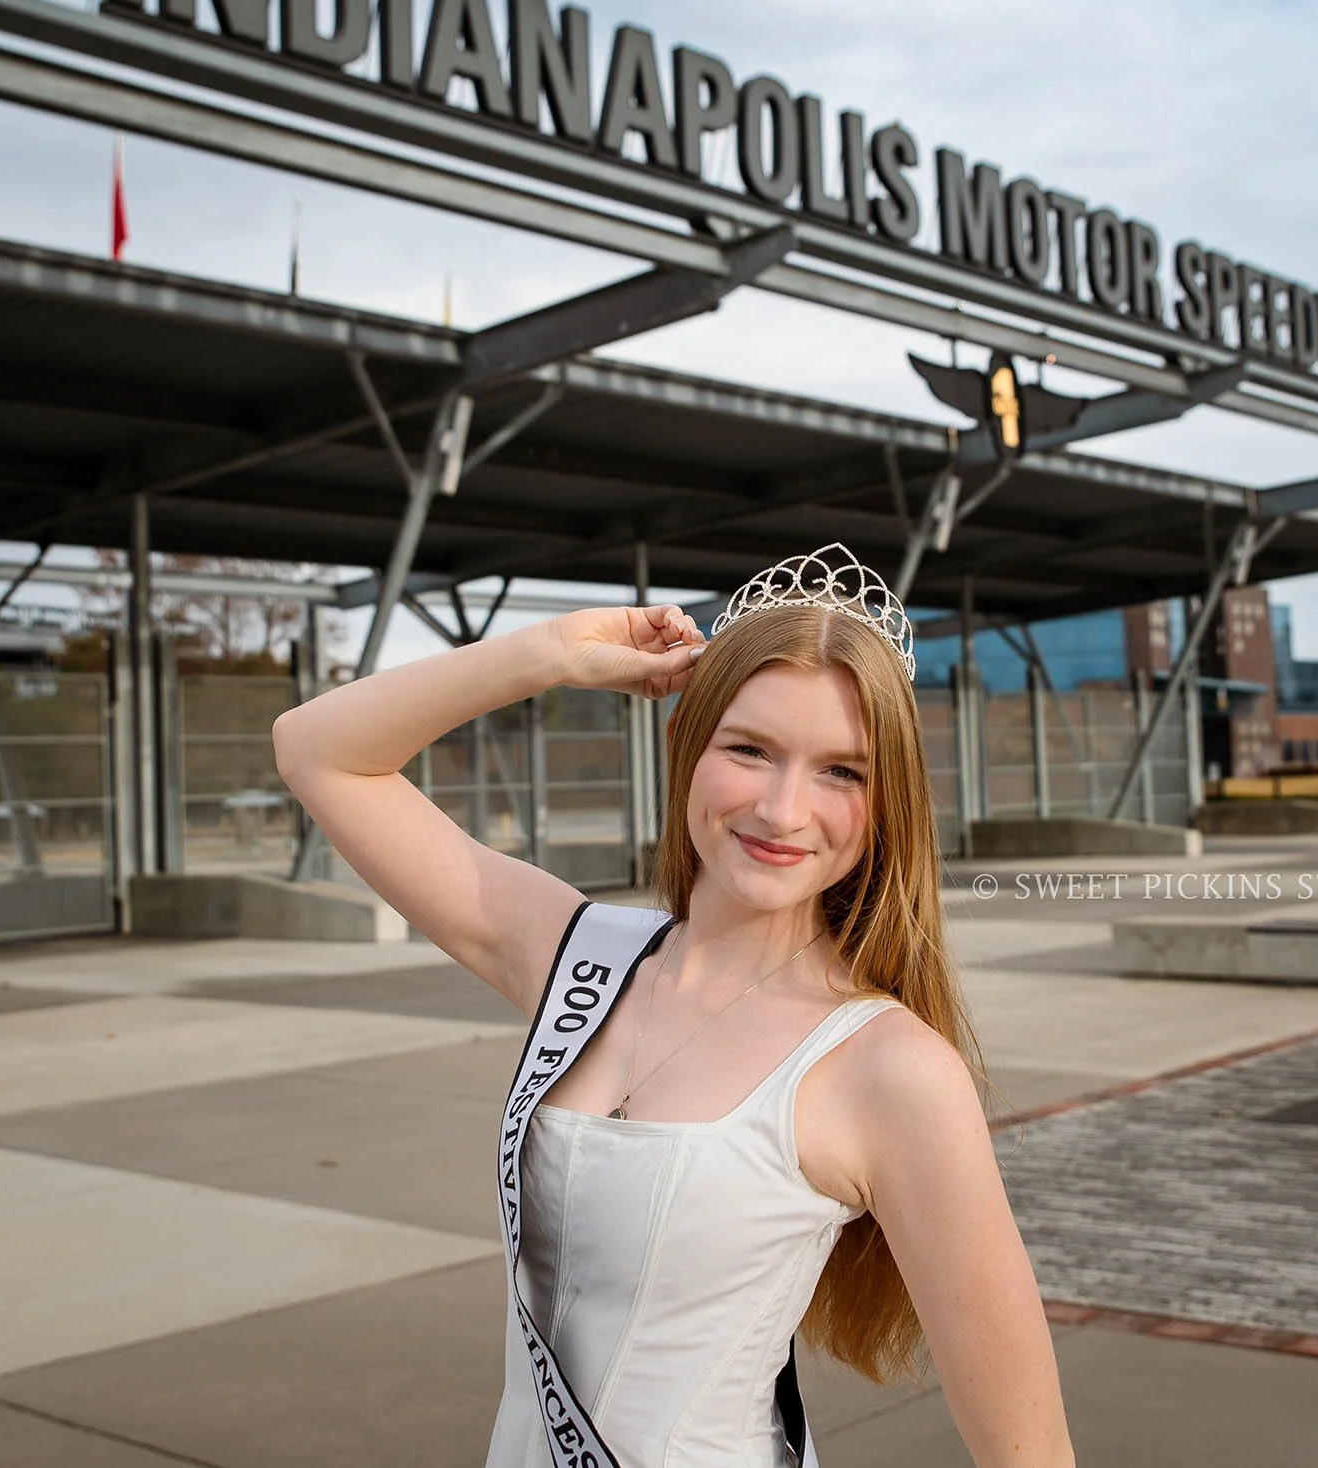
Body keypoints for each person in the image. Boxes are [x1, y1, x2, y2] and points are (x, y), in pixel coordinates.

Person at [274, 545, 1076, 1468]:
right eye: (750, 749)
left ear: (887, 803)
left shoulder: (891, 1071)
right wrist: (558, 655)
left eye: (841, 773)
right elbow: (317, 749)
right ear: (691, 752)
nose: (782, 809)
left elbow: (1032, 1454)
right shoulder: (578, 956)